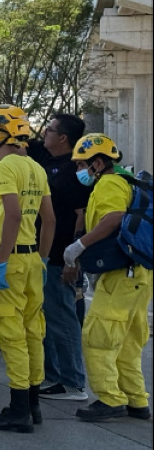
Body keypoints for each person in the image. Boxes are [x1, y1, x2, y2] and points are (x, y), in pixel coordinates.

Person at [0, 108, 55, 434]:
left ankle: (18, 409)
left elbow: (12, 214)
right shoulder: (36, 168)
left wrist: (4, 261)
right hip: (34, 260)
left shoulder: (5, 167)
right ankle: (33, 404)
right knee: (33, 331)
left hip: (8, 258)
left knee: (10, 334)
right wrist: (44, 259)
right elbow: (48, 220)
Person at [64, 134, 152, 422]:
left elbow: (113, 218)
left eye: (81, 165)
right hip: (137, 274)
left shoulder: (110, 183)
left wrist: (81, 245)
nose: (78, 170)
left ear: (98, 163)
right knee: (127, 340)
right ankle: (136, 400)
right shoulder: (126, 181)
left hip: (121, 275)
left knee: (98, 337)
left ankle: (110, 399)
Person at [36, 114, 91, 402]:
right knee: (51, 318)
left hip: (61, 257)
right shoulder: (51, 161)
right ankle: (55, 377)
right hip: (48, 255)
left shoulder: (74, 172)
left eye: (50, 130)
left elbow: (82, 217)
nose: (45, 133)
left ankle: (73, 383)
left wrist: (73, 260)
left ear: (63, 138)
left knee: (63, 317)